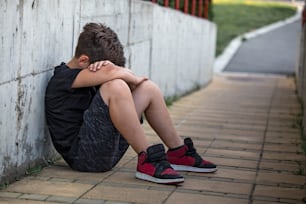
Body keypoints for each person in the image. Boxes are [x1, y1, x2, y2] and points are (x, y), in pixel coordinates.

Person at [45, 22, 217, 185]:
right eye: (99, 66)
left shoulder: (88, 74)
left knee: (148, 88)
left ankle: (179, 152)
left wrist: (119, 74)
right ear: (83, 61)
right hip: (85, 157)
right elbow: (113, 77)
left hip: (107, 148)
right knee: (115, 86)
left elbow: (116, 77)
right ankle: (147, 158)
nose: (104, 70)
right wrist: (126, 76)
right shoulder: (62, 78)